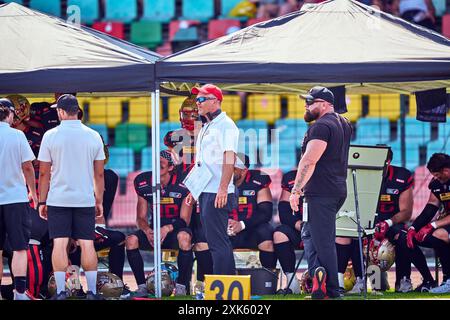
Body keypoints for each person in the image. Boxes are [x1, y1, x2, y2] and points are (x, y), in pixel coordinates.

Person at [38, 94, 105, 300]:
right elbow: (99, 173)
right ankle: (92, 292)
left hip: (58, 198)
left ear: (60, 111)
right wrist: (99, 200)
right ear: (77, 111)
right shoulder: (94, 135)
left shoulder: (50, 135)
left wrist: (42, 200)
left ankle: (60, 292)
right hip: (84, 198)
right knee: (87, 244)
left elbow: (43, 173)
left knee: (59, 243)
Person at [289, 86, 352, 299]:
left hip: (321, 192)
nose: (306, 106)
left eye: (311, 102)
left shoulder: (321, 126)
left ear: (325, 104)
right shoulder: (343, 122)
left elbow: (309, 160)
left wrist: (295, 190)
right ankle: (319, 279)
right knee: (310, 234)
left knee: (323, 240)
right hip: (334, 189)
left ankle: (332, 290)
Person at [335, 147, 423, 294]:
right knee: (356, 236)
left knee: (401, 237)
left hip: (392, 223)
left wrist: (388, 223)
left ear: (387, 161)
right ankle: (362, 280)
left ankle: (403, 280)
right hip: (368, 222)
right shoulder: (362, 174)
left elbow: (406, 212)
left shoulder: (401, 176)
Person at [125, 151, 194, 297]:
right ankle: (142, 286)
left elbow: (184, 220)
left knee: (184, 238)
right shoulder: (143, 182)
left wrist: (166, 229)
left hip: (175, 229)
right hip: (155, 230)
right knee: (131, 240)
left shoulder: (185, 182)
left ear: (170, 167)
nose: (156, 169)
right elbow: (140, 217)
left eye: (161, 166)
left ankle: (181, 287)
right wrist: (147, 230)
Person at [191, 84, 240, 275]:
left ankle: (223, 288)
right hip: (206, 190)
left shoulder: (226, 124)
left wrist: (222, 188)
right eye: (197, 99)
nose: (197, 103)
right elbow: (203, 163)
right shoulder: (207, 125)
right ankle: (226, 285)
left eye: (202, 99)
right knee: (215, 241)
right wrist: (193, 190)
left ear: (215, 101)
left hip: (216, 192)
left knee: (218, 242)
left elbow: (230, 157)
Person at [0, 98, 38, 300]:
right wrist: (33, 191)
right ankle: (20, 293)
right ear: (11, 114)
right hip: (15, 198)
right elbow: (27, 167)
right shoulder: (17, 136)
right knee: (19, 248)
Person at [406, 153, 450, 293]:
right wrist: (414, 228)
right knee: (408, 238)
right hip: (446, 222)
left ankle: (448, 279)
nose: (435, 178)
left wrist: (433, 225)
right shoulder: (437, 184)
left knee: (440, 234)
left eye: (437, 174)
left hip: (443, 225)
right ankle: (429, 280)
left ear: (446, 170)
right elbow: (431, 207)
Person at [228, 153, 276, 269]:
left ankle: (267, 280)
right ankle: (204, 281)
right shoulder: (219, 181)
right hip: (226, 228)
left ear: (244, 171)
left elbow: (265, 213)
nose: (228, 171)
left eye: (233, 169)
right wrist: (224, 224)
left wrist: (242, 224)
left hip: (250, 228)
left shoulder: (258, 180)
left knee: (266, 234)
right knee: (205, 236)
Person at [274, 169, 303, 294]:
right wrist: (298, 224)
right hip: (300, 228)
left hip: (322, 227)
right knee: (279, 234)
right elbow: (284, 211)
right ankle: (292, 283)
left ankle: (337, 281)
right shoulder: (291, 177)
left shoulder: (327, 173)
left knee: (342, 234)